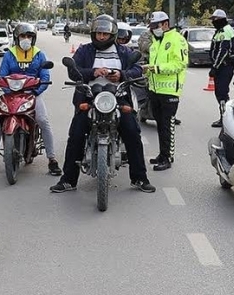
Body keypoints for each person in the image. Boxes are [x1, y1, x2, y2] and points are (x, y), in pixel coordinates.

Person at [49, 14, 155, 193]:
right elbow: (74, 71)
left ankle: (139, 178)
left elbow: (137, 68)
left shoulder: (123, 51)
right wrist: (93, 72)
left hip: (118, 97)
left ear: (112, 34)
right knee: (76, 134)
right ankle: (68, 180)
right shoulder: (84, 51)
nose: (101, 37)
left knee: (132, 132)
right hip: (90, 98)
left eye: (105, 34)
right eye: (98, 33)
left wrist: (121, 75)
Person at [0, 22, 62, 176]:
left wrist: (37, 91)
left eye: (29, 36)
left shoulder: (39, 55)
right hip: (11, 95)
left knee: (43, 121)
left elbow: (45, 76)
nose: (26, 39)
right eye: (23, 36)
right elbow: (2, 75)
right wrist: (5, 88)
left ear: (34, 38)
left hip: (32, 95)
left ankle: (52, 159)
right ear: (16, 38)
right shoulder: (9, 55)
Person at [142, 11, 188, 171]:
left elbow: (179, 64)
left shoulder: (178, 40)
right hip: (155, 89)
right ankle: (162, 154)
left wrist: (156, 68)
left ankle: (168, 157)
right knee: (160, 124)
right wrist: (146, 70)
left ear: (166, 24)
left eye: (156, 26)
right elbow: (152, 64)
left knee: (167, 125)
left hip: (170, 92)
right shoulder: (156, 42)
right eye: (152, 26)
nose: (154, 29)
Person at [208, 9, 234, 128]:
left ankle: (226, 119)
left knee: (222, 93)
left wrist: (215, 67)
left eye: (214, 19)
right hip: (221, 67)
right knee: (220, 93)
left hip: (224, 67)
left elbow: (223, 52)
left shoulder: (226, 31)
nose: (213, 22)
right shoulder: (220, 30)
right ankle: (225, 117)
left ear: (221, 19)